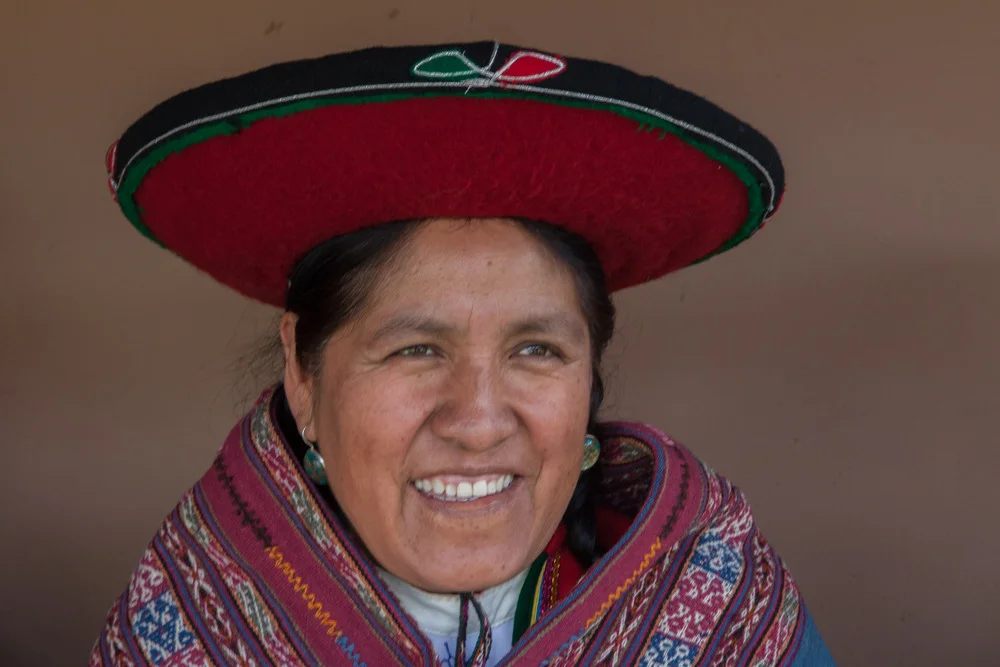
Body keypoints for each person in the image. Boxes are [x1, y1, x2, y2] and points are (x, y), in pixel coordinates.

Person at [91, 41, 836, 666]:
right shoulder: (191, 632)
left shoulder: (721, 614)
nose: (478, 422)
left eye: (537, 350)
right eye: (417, 349)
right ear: (303, 374)